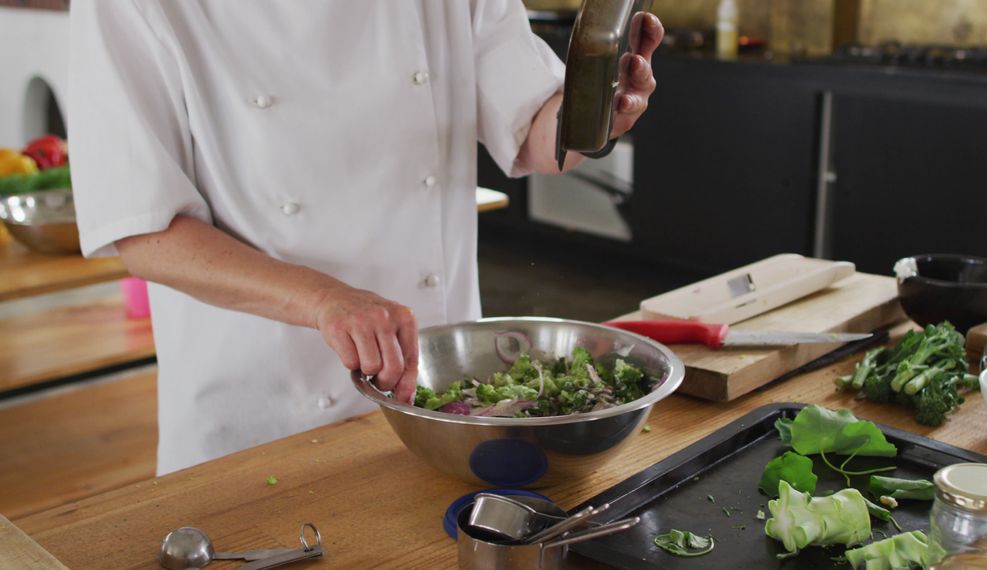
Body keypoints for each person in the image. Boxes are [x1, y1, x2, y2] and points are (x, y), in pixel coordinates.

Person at [69, 1, 663, 475]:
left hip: (445, 403)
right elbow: (145, 232)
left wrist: (598, 109)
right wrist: (325, 299)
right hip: (262, 411)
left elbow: (536, 132)